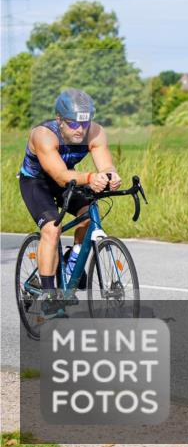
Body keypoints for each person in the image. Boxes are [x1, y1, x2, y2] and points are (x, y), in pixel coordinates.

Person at [18, 89, 121, 302]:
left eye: (84, 123)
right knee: (52, 229)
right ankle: (49, 295)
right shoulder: (43, 135)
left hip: (70, 181)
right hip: (38, 182)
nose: (80, 129)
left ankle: (72, 260)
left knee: (89, 214)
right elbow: (61, 175)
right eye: (73, 123)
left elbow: (106, 165)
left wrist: (110, 176)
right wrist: (92, 177)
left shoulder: (95, 132)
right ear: (59, 120)